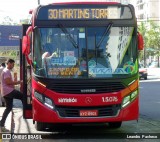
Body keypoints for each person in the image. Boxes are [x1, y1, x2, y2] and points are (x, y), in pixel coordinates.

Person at [0, 59, 23, 132]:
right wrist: (19, 82)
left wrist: (16, 80)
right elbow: (8, 82)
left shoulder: (6, 71)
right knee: (23, 96)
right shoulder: (6, 71)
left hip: (6, 92)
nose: (13, 66)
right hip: (9, 91)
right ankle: (26, 110)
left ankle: (1, 124)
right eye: (12, 64)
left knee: (8, 108)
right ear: (9, 63)